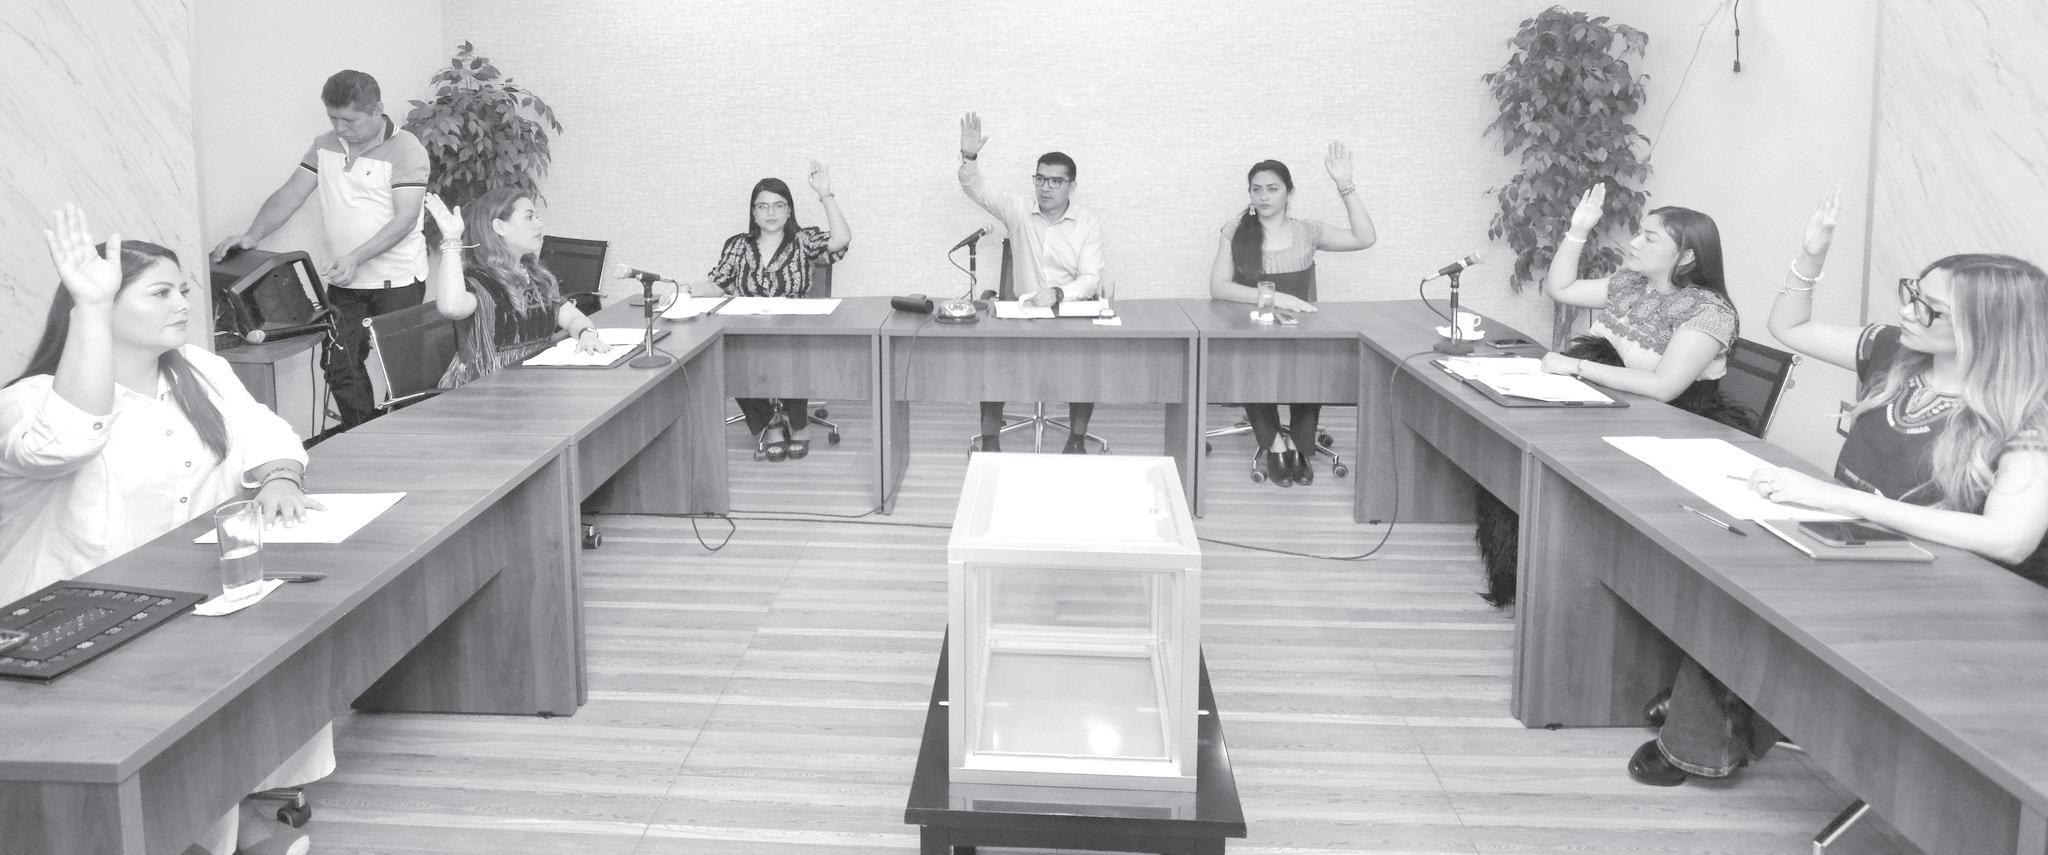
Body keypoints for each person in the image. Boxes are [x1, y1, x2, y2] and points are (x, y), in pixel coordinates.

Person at [1628, 189, 2048, 787]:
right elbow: (1788, 326)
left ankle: (1706, 729)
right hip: (1847, 540)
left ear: (1986, 327)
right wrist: (1811, 255)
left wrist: (1844, 500)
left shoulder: (2026, 416)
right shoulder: (1894, 352)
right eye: (1912, 292)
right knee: (1724, 554)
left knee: (1762, 587)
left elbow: (2009, 539)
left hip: (1938, 587)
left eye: (1929, 308)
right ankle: (1727, 696)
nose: (1909, 311)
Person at [2, 207, 328, 855]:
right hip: (72, 624)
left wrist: (280, 478)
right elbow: (69, 440)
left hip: (187, 596)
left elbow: (264, 431)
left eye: (182, 289)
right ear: (101, 308)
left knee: (274, 649)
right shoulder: (30, 402)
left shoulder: (196, 369)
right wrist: (90, 307)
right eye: (161, 292)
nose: (183, 303)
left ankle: (229, 822)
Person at [1474, 185, 1754, 607]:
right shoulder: (1631, 285)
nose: (1634, 243)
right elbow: (1561, 288)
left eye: (1649, 238)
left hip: (1671, 427)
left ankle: (1567, 586)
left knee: (1544, 462)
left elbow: (1664, 387)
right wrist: (1578, 230)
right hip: (1609, 409)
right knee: (1515, 450)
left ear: (1686, 257)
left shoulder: (1709, 312)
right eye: (1638, 233)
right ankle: (1529, 577)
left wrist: (1576, 366)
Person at [212, 69, 430, 430]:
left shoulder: (407, 149)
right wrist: (253, 235)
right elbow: (291, 194)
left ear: (377, 110)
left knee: (403, 373)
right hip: (345, 281)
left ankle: (405, 439)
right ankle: (365, 436)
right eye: (333, 118)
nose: (340, 128)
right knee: (339, 367)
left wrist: (357, 257)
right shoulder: (325, 145)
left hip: (398, 281)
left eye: (349, 120)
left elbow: (405, 219)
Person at [1207, 147, 1378, 486]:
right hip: (1251, 330)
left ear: (1289, 193)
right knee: (1251, 365)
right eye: (1257, 189)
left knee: (1312, 365)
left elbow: (1365, 238)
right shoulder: (1236, 230)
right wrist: (1274, 298)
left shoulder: (1307, 231)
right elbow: (1218, 286)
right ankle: (1273, 445)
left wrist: (1345, 186)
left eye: (1273, 189)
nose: (1264, 196)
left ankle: (1300, 446)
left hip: (1300, 331)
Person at [957, 112, 1106, 453]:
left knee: (1086, 359)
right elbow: (976, 190)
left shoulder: (1087, 223)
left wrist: (1058, 293)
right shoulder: (1018, 210)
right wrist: (969, 157)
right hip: (1023, 313)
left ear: (1071, 186)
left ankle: (1077, 438)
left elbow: (1090, 278)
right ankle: (990, 441)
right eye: (1040, 179)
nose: (1045, 187)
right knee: (992, 354)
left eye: (1055, 181)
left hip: (1069, 312)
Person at [683, 165, 849, 461]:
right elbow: (716, 284)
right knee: (729, 352)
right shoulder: (739, 245)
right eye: (763, 206)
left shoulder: (803, 240)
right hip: (750, 327)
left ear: (789, 210)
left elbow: (841, 239)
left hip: (794, 328)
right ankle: (770, 423)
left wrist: (825, 194)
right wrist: (682, 290)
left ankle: (798, 424)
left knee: (790, 350)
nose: (770, 212)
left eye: (778, 205)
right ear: (754, 212)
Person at [426, 188, 612, 387]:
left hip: (536, 382)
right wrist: (452, 240)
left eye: (537, 217)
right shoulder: (479, 281)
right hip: (485, 388)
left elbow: (574, 318)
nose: (539, 223)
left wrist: (586, 334)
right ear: (500, 227)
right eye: (529, 217)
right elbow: (452, 308)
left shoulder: (538, 276)